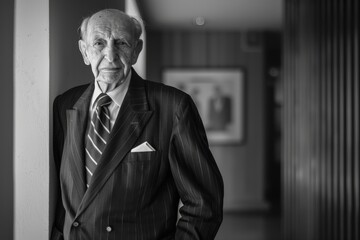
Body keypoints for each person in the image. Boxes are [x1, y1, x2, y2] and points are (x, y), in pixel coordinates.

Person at [51, 9, 223, 240]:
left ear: (136, 51)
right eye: (99, 43)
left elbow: (204, 204)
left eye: (121, 43)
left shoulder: (173, 107)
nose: (110, 55)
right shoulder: (65, 105)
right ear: (84, 51)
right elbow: (66, 195)